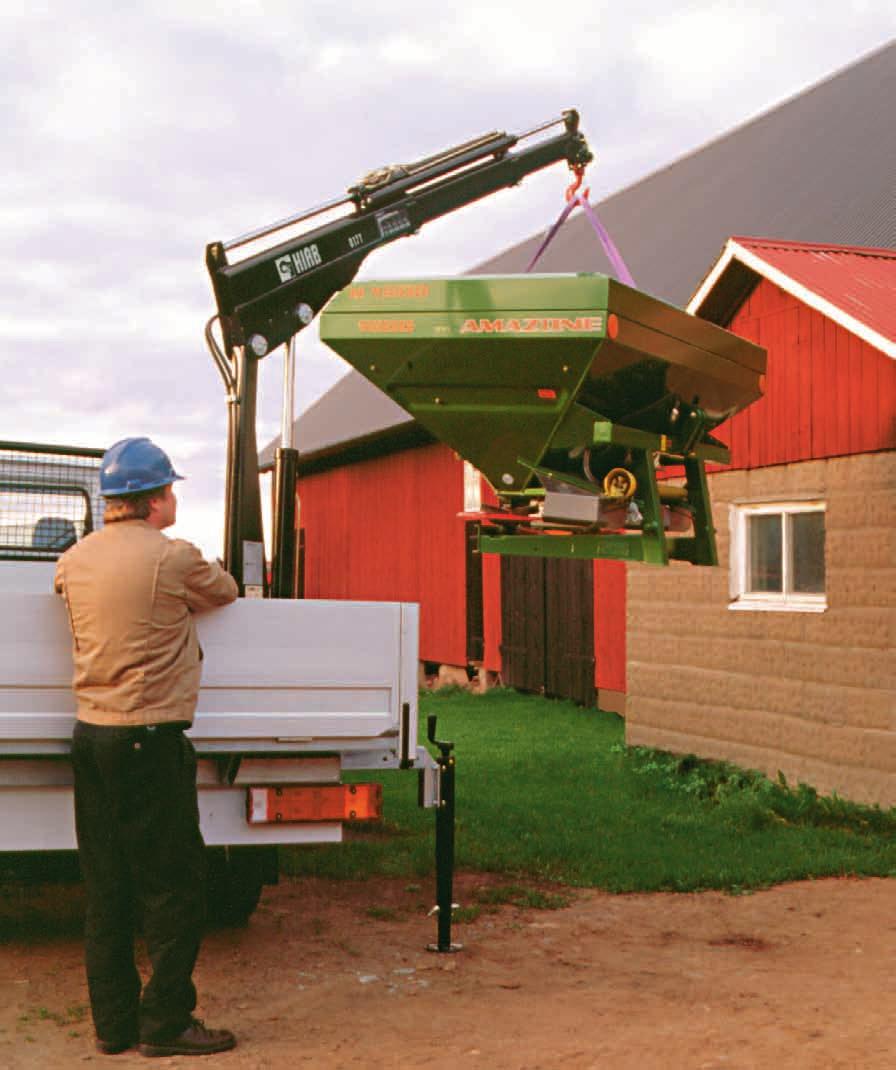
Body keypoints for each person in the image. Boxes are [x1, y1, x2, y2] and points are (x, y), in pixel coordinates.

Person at [54, 437, 239, 1058]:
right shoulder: (174, 558)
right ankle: (165, 1023)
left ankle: (113, 1026)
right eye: (172, 488)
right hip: (149, 739)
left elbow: (65, 591)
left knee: (105, 886)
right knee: (173, 886)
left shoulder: (73, 559)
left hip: (92, 736)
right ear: (155, 498)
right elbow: (227, 591)